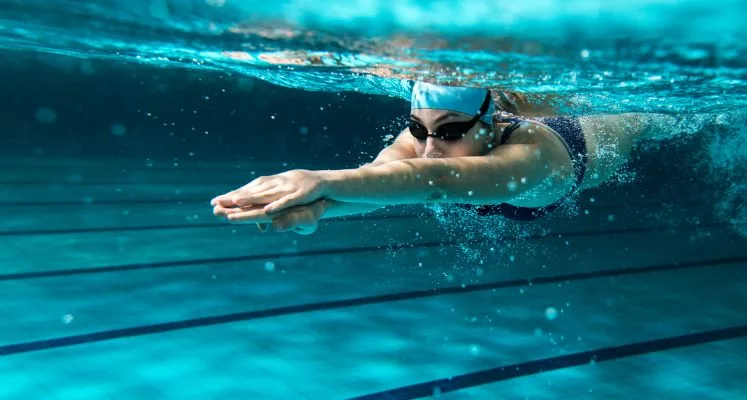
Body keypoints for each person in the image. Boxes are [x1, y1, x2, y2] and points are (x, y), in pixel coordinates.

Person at [211, 81, 663, 234]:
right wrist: (317, 211)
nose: (428, 147)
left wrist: (317, 179)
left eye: (448, 132)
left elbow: (435, 181)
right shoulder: (427, 142)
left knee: (645, 117)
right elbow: (380, 182)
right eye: (417, 129)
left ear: (490, 126)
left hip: (596, 136)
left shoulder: (532, 156)